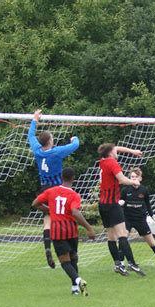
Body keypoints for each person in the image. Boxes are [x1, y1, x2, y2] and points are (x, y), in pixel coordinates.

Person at [28, 109, 80, 269]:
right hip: (58, 189)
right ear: (50, 141)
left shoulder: (37, 150)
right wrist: (74, 137)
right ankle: (72, 251)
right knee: (67, 217)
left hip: (44, 189)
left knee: (47, 221)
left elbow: (30, 136)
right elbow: (75, 145)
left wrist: (34, 120)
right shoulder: (56, 152)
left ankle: (47, 248)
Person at [32, 168, 95, 296]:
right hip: (71, 230)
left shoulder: (51, 191)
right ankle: (75, 289)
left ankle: (78, 281)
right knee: (73, 258)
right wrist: (89, 228)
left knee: (65, 262)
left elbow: (35, 203)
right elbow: (75, 212)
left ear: (61, 177)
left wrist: (49, 210)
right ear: (73, 179)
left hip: (57, 230)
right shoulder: (74, 195)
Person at [98, 143, 145, 276]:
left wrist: (133, 151)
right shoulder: (112, 163)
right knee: (122, 235)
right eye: (115, 150)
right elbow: (122, 180)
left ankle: (118, 264)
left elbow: (116, 148)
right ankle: (132, 263)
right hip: (113, 204)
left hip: (103, 204)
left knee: (111, 237)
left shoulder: (102, 161)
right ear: (111, 153)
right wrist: (134, 182)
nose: (117, 151)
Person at [119, 167, 155, 268]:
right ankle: (121, 264)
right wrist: (120, 203)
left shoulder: (144, 190)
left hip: (140, 219)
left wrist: (152, 216)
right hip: (128, 219)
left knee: (152, 242)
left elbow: (147, 204)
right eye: (132, 177)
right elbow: (120, 201)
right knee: (123, 240)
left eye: (135, 177)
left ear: (140, 178)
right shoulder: (125, 190)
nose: (133, 178)